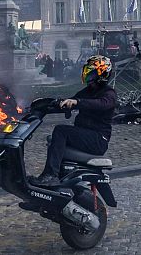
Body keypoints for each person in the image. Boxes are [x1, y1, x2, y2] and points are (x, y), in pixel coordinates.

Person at [29, 55, 117, 187]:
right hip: (86, 134)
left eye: (91, 73)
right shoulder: (87, 91)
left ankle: (51, 175)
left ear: (102, 73)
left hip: (98, 139)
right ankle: (55, 182)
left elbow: (101, 104)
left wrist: (78, 102)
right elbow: (70, 101)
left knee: (61, 131)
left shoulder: (109, 93)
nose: (88, 75)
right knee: (53, 140)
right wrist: (47, 106)